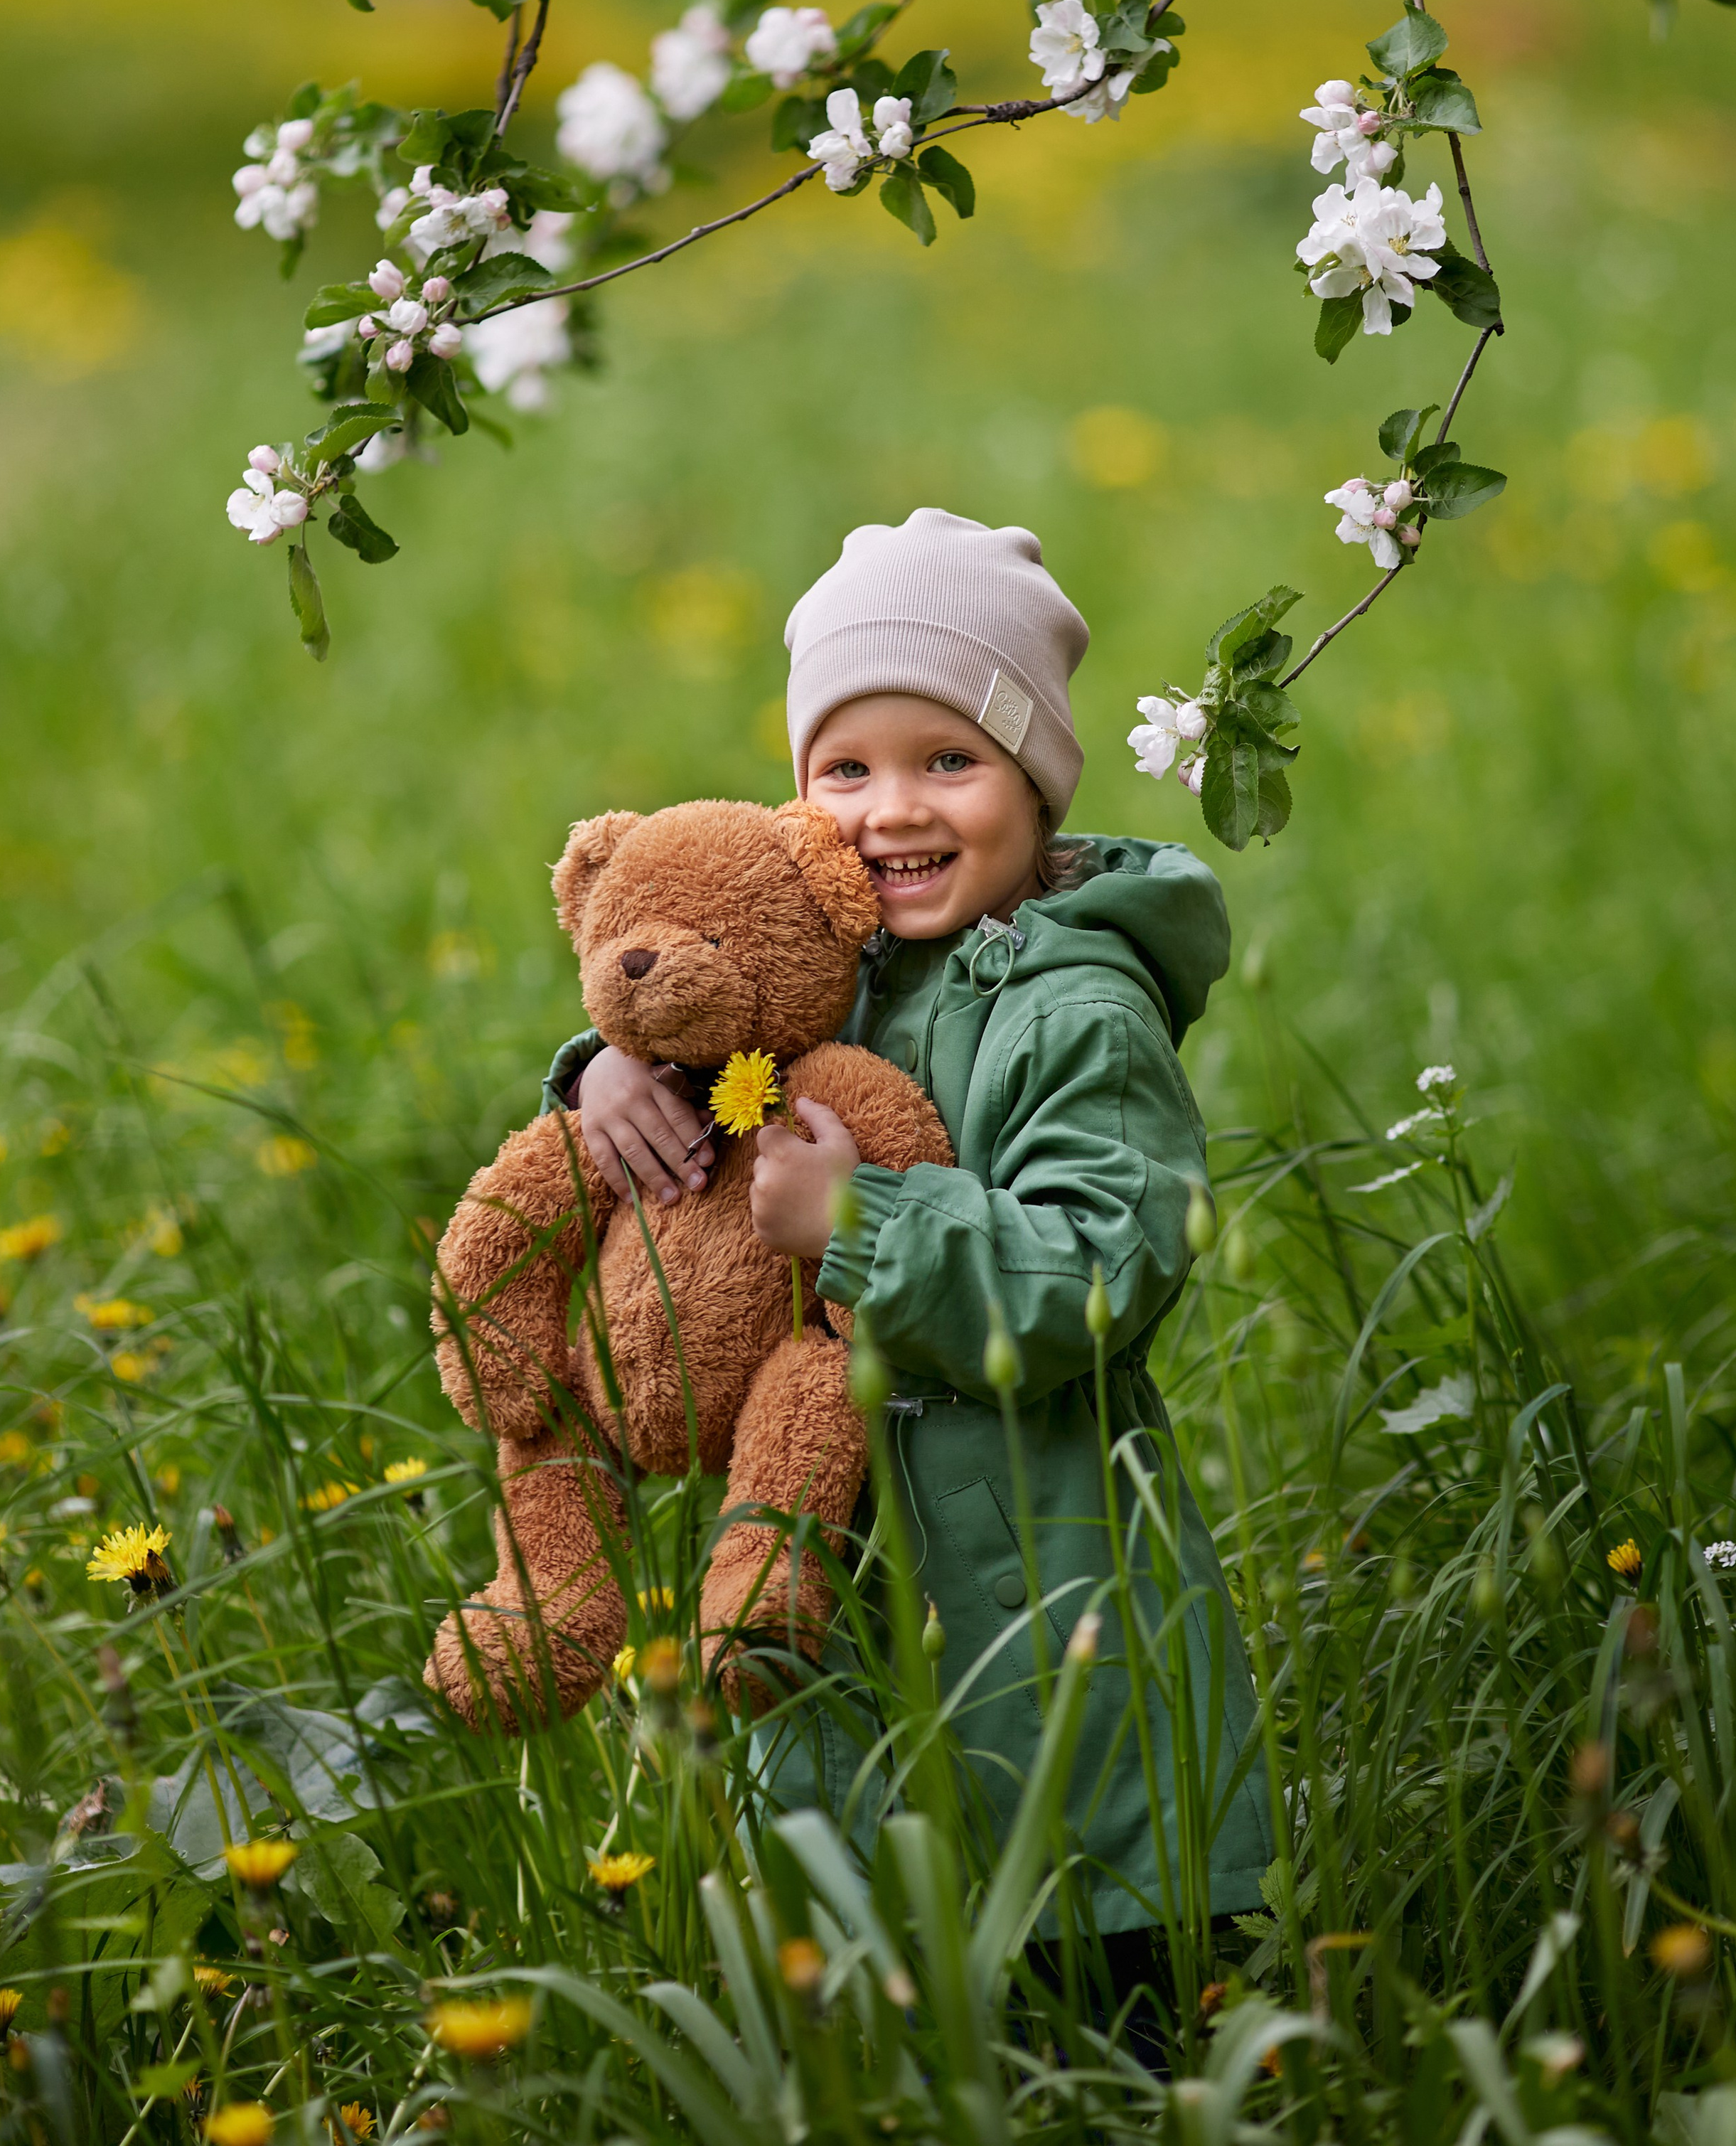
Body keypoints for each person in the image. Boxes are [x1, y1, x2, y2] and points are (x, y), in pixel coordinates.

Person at [540, 508, 1271, 2004]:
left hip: (1048, 1589)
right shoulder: (824, 961)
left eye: (949, 761)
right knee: (874, 1945)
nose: (891, 811)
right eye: (844, 768)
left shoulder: (1075, 1009)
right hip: (829, 1572)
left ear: (1036, 782)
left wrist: (859, 1227)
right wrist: (599, 1077)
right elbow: (702, 1016)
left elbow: (1098, 1270)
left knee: (1094, 1979)